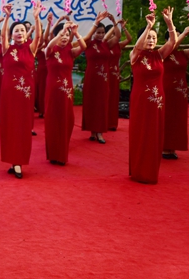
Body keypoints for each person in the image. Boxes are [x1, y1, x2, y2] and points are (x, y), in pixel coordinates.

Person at [129, 7, 176, 184]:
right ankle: (139, 171)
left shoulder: (159, 55)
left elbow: (172, 42)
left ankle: (150, 171)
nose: (151, 40)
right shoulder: (135, 55)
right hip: (141, 100)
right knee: (141, 134)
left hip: (158, 101)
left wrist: (169, 22)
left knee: (154, 135)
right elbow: (138, 46)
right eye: (149, 37)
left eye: (154, 38)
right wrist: (148, 27)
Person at [0, 3, 43, 178]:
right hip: (9, 93)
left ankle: (19, 161)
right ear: (12, 34)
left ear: (26, 34)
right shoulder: (6, 49)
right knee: (10, 126)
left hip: (25, 94)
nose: (19, 33)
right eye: (16, 31)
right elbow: (2, 35)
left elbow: (39, 35)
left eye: (22, 31)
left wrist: (37, 17)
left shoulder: (31, 49)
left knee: (23, 126)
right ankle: (12, 160)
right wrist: (7, 17)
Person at [44, 20, 86, 165]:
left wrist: (75, 33)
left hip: (67, 91)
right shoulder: (49, 51)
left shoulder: (70, 51)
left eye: (67, 36)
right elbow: (49, 45)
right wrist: (61, 31)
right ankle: (53, 153)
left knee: (67, 120)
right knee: (53, 120)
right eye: (62, 35)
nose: (64, 37)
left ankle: (62, 153)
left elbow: (83, 46)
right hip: (53, 90)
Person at [162, 25, 189, 159]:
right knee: (168, 117)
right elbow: (173, 45)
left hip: (181, 92)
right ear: (168, 40)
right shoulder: (165, 53)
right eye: (174, 36)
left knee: (178, 119)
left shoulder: (182, 54)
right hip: (168, 90)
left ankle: (173, 147)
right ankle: (165, 147)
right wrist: (183, 33)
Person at [80, 11, 113, 143]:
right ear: (94, 32)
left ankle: (100, 132)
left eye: (102, 32)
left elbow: (118, 36)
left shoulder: (106, 44)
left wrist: (115, 23)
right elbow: (84, 39)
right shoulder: (88, 43)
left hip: (104, 79)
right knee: (92, 103)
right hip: (91, 78)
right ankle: (93, 131)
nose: (100, 35)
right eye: (98, 32)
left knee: (102, 104)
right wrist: (95, 23)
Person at [105, 17, 133, 131]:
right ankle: (104, 122)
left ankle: (112, 123)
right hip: (106, 74)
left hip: (115, 74)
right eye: (112, 34)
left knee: (114, 98)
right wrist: (114, 25)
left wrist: (124, 28)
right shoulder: (105, 45)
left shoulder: (118, 45)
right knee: (106, 97)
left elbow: (129, 39)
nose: (114, 36)